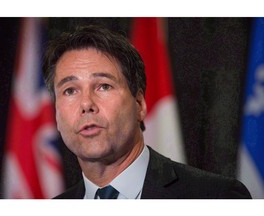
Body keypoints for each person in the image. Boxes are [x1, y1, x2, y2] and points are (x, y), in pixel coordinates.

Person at [42, 25, 251, 199]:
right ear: (57, 117)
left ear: (139, 104)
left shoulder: (216, 197)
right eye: (70, 90)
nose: (86, 104)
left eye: (103, 86)